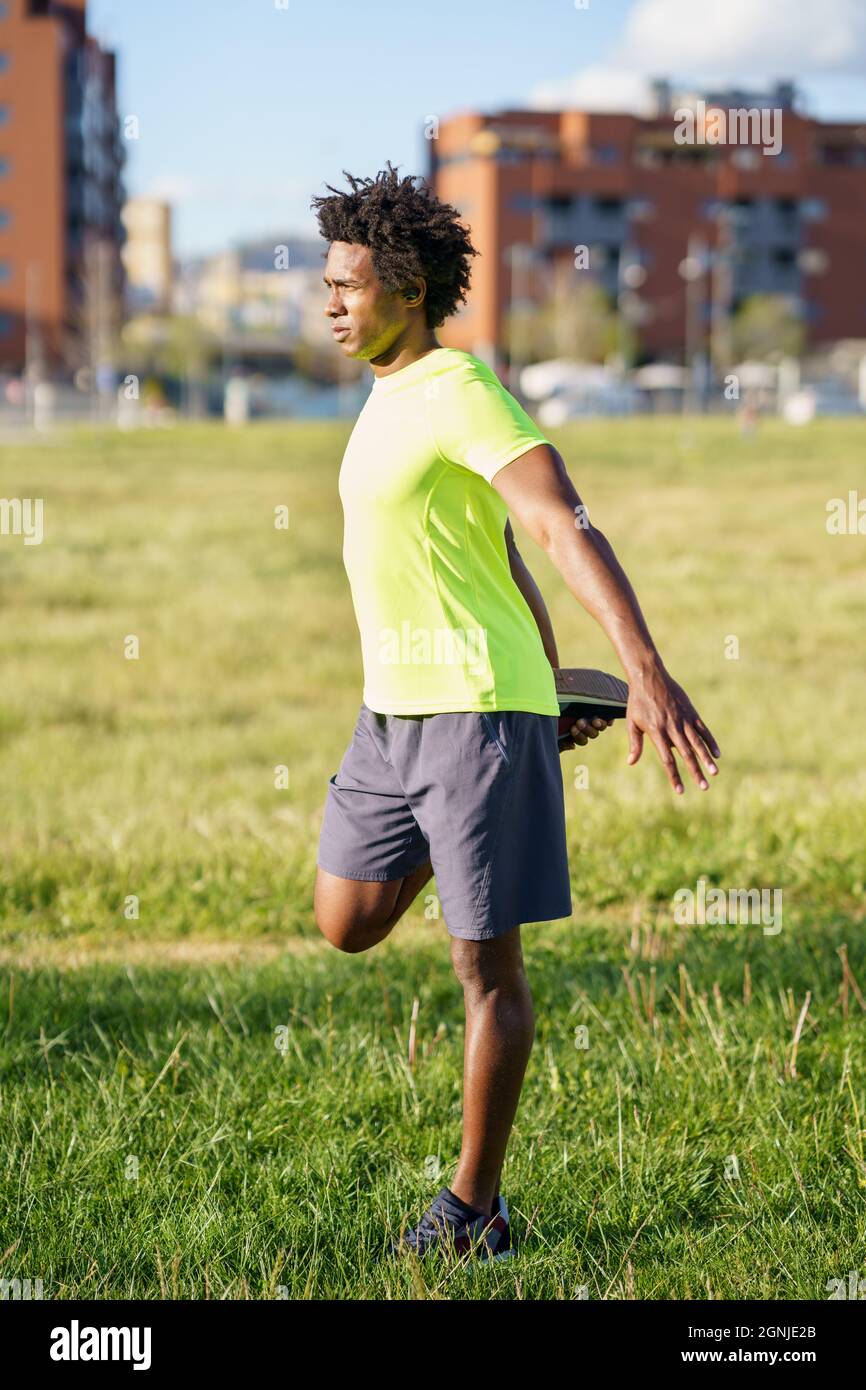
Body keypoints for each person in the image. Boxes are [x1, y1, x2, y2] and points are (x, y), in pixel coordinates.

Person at [310, 164, 721, 1261]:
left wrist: (642, 666)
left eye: (348, 284)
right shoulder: (387, 395)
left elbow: (552, 524)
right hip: (390, 716)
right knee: (342, 921)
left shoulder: (459, 388)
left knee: (483, 970)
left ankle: (472, 1208)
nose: (330, 301)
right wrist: (548, 670)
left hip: (471, 715)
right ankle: (524, 744)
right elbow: (482, 543)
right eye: (327, 282)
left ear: (405, 288)